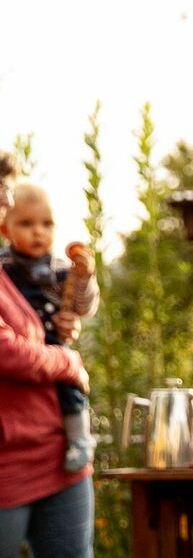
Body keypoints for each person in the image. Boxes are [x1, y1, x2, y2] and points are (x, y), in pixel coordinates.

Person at [0, 155, 133, 558]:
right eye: (7, 202)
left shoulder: (40, 276)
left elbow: (75, 311)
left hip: (62, 450)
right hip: (5, 461)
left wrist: (82, 277)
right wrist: (66, 361)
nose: (13, 211)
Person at [2, 181, 98, 470]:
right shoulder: (5, 267)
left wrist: (85, 279)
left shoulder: (61, 270)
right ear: (6, 230)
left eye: (47, 224)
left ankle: (80, 438)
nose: (38, 232)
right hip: (25, 347)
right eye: (26, 224)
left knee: (70, 391)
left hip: (53, 343)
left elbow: (83, 307)